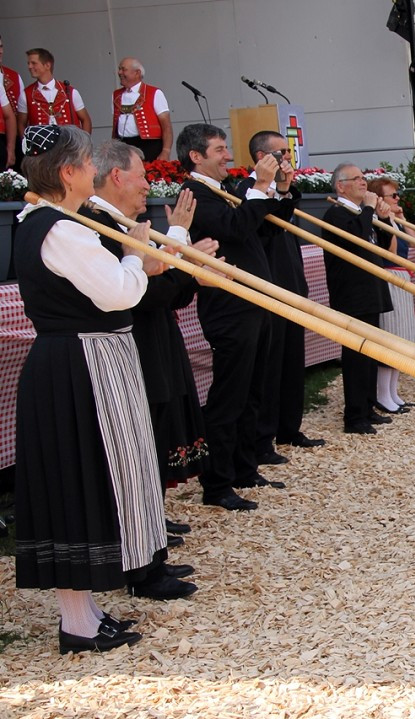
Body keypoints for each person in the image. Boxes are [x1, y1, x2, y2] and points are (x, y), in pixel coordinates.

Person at [13, 124, 166, 653]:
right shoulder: (61, 229)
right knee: (77, 480)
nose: (93, 171)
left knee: (88, 478)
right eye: (85, 162)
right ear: (68, 172)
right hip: (80, 363)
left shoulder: (52, 221)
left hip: (83, 359)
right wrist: (137, 256)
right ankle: (76, 622)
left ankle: (86, 611)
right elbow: (117, 293)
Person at [81, 139, 205, 601]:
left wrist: (176, 258)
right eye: (142, 176)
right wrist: (174, 248)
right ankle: (142, 564)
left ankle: (150, 551)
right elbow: (139, 292)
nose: (148, 186)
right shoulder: (96, 226)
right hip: (125, 346)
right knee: (134, 455)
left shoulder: (120, 224)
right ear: (116, 176)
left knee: (147, 447)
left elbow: (165, 288)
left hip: (143, 344)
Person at [178, 123, 293, 511]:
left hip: (253, 302)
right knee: (229, 396)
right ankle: (217, 483)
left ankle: (245, 467)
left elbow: (261, 229)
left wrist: (280, 189)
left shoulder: (222, 190)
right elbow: (234, 226)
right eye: (220, 149)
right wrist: (259, 190)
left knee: (253, 391)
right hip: (229, 307)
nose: (228, 155)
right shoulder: (193, 194)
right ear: (196, 156)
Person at [240, 131, 324, 466]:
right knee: (270, 367)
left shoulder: (279, 189)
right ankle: (263, 437)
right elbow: (261, 229)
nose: (287, 158)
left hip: (291, 282)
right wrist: (272, 190)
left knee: (292, 361)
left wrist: (286, 189)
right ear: (261, 156)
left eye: (288, 152)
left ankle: (290, 426)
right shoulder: (248, 190)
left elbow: (286, 219)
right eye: (280, 153)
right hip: (268, 285)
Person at [323, 164, 396, 433]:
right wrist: (367, 209)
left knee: (371, 352)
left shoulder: (359, 212)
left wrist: (385, 218)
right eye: (356, 179)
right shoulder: (335, 213)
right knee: (356, 356)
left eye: (364, 178)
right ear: (341, 185)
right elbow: (356, 240)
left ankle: (368, 406)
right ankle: (354, 416)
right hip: (352, 293)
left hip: (371, 288)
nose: (363, 183)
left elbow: (382, 242)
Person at [370, 176, 415, 413]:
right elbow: (390, 253)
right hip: (390, 276)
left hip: (402, 276)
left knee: (403, 335)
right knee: (391, 335)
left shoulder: (394, 219)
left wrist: (400, 218)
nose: (398, 199)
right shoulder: (377, 221)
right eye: (393, 195)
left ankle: (393, 392)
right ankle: (382, 394)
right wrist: (388, 220)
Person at [16, 48, 92, 136]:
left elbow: (86, 120)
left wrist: (84, 145)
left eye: (34, 63)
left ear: (47, 65)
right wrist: (28, 147)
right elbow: (21, 124)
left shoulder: (70, 91)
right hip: (42, 148)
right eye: (28, 63)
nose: (29, 67)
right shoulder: (26, 95)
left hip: (69, 147)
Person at [112, 57, 173, 162]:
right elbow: (115, 126)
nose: (119, 72)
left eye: (123, 69)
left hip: (149, 146)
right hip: (123, 146)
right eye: (119, 69)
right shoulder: (116, 95)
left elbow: (166, 127)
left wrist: (166, 151)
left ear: (137, 73)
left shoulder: (155, 93)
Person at [0, 35, 21, 168]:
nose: (0, 51)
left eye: (1, 47)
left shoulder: (13, 76)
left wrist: (11, 148)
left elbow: (11, 115)